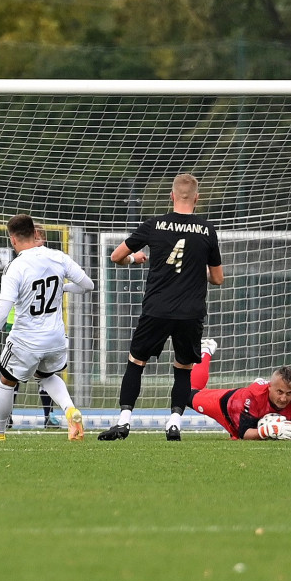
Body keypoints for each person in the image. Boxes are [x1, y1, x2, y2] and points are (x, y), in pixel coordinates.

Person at [99, 173, 224, 441]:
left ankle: (124, 422)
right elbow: (218, 278)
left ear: (172, 196)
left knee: (136, 362)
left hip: (156, 308)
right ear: (197, 198)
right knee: (183, 369)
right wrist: (194, 269)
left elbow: (116, 256)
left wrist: (136, 259)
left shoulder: (154, 224)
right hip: (190, 313)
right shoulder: (206, 230)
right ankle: (174, 424)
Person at [0, 214, 94, 441]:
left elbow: (2, 310)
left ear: (13, 239)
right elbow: (87, 285)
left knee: (5, 380)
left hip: (26, 339)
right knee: (46, 376)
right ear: (35, 234)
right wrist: (63, 289)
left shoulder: (15, 267)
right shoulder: (58, 257)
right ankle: (70, 410)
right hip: (56, 338)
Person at [187, 338, 291, 440]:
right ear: (269, 387)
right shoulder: (254, 395)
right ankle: (206, 350)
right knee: (187, 394)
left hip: (248, 417)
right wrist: (266, 431)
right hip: (227, 406)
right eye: (280, 392)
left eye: (289, 393)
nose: (283, 398)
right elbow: (244, 433)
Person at [8, 227, 61, 429]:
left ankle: (49, 415)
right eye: (34, 238)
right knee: (13, 372)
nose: (37, 242)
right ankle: (7, 415)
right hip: (20, 323)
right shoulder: (20, 263)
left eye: (40, 239)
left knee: (45, 372)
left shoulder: (52, 262)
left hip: (45, 326)